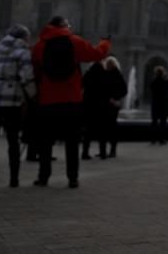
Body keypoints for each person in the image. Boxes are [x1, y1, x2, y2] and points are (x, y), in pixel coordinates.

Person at [30, 16, 111, 188]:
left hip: (48, 100)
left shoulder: (38, 47)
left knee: (46, 142)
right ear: (63, 26)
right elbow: (97, 54)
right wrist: (105, 42)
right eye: (68, 25)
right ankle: (72, 178)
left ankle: (43, 177)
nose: (70, 28)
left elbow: (35, 71)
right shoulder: (75, 42)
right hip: (71, 99)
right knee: (72, 141)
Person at [0, 25, 37, 187]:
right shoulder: (23, 52)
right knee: (13, 139)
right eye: (28, 37)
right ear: (23, 38)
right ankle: (14, 179)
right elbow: (27, 77)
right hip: (11, 99)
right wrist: (33, 96)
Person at [80, 61, 108, 160]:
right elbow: (107, 90)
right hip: (101, 106)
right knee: (102, 131)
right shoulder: (104, 75)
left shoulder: (88, 74)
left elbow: (81, 85)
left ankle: (85, 153)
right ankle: (103, 153)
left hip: (88, 105)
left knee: (87, 131)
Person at [101, 57, 127, 158]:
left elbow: (124, 90)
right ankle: (104, 151)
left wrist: (115, 98)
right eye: (107, 64)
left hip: (112, 105)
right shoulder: (104, 74)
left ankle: (112, 150)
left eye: (110, 64)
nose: (108, 65)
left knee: (111, 128)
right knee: (106, 128)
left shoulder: (117, 75)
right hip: (105, 104)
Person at [150, 66, 168, 145]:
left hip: (155, 104)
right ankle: (161, 139)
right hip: (164, 104)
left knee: (154, 123)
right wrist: (167, 79)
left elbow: (150, 88)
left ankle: (153, 139)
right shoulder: (165, 81)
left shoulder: (154, 81)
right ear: (163, 73)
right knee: (163, 123)